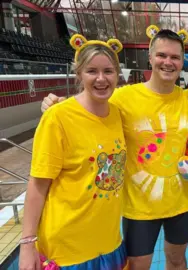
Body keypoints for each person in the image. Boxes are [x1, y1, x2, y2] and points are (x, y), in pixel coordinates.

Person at [40, 25, 188, 270]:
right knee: (137, 266)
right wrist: (57, 104)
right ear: (151, 58)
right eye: (162, 55)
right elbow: (88, 103)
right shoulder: (123, 97)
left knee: (177, 260)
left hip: (183, 202)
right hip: (138, 205)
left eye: (175, 57)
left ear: (182, 61)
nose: (168, 62)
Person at [19, 34, 127, 269]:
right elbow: (38, 184)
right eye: (92, 71)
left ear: (117, 74)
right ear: (79, 74)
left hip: (108, 243)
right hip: (68, 250)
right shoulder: (57, 117)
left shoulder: (118, 114)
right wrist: (27, 244)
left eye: (108, 71)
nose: (101, 79)